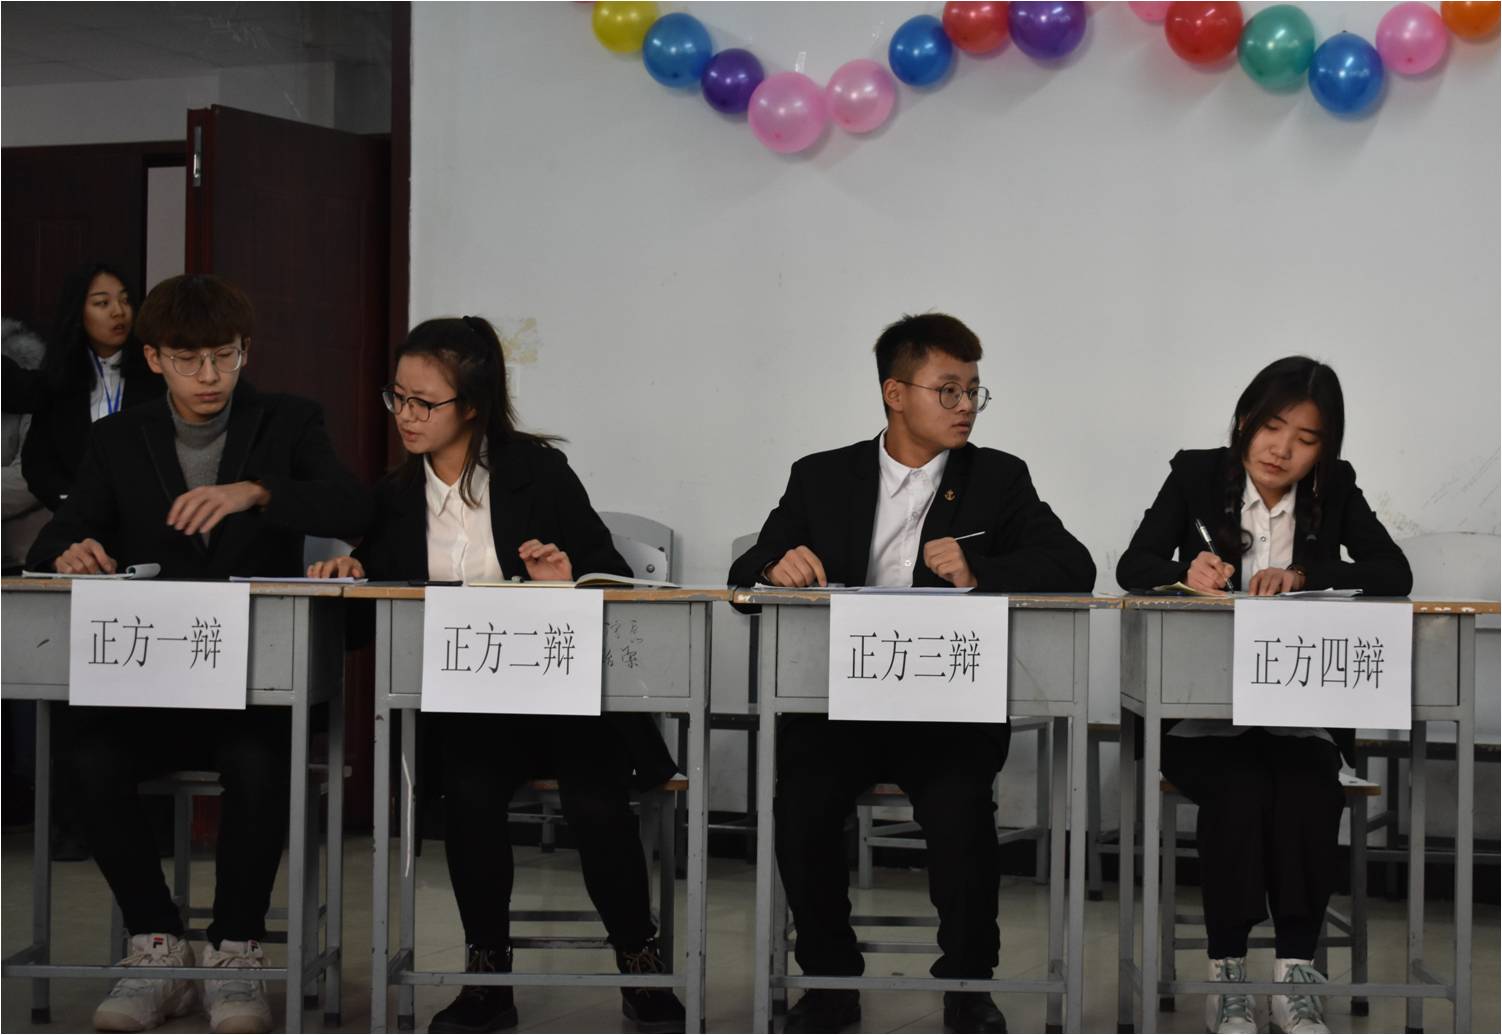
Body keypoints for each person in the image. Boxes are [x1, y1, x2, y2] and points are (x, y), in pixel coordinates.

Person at [308, 315, 685, 1033]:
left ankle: (641, 963)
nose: (406, 415)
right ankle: (488, 976)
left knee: (597, 803)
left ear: (473, 405)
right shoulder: (394, 496)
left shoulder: (537, 473)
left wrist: (565, 581)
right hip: (471, 703)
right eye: (398, 397)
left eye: (425, 402)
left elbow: (612, 577)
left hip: (565, 696)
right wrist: (352, 575)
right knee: (470, 798)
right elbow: (368, 626)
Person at [728, 312, 1096, 1034]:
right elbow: (745, 575)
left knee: (961, 812)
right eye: (948, 390)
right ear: (895, 394)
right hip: (839, 704)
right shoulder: (822, 475)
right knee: (801, 802)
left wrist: (979, 568)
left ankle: (968, 983)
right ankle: (830, 980)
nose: (966, 406)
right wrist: (774, 566)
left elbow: (1072, 565)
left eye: (974, 391)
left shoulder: (998, 477)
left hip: (946, 707)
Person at [27, 273, 372, 1034]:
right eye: (189, 360)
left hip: (252, 686)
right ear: (154, 358)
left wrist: (258, 492)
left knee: (260, 762)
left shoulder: (288, 422)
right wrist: (70, 551)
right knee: (86, 756)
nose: (210, 375)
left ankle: (234, 951)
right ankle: (156, 946)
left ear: (246, 350)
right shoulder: (118, 437)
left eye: (225, 356)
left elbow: (353, 505)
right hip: (149, 684)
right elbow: (59, 536)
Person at [1116, 355, 1412, 1035]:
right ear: (1246, 420)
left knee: (1309, 789)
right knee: (1241, 790)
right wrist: (1184, 570)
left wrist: (1305, 571)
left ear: (1324, 449)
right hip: (1201, 718)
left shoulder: (1335, 487)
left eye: (1305, 439)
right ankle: (1228, 972)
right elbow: (1133, 565)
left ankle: (1294, 974)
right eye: (1272, 427)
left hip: (1298, 717)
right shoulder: (1195, 475)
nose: (1282, 449)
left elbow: (1393, 571)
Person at [21, 262, 163, 512]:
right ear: (78, 312)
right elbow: (38, 464)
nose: (119, 311)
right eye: (102, 303)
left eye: (126, 301)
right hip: (80, 518)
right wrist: (71, 504)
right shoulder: (60, 380)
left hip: (148, 514)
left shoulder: (157, 373)